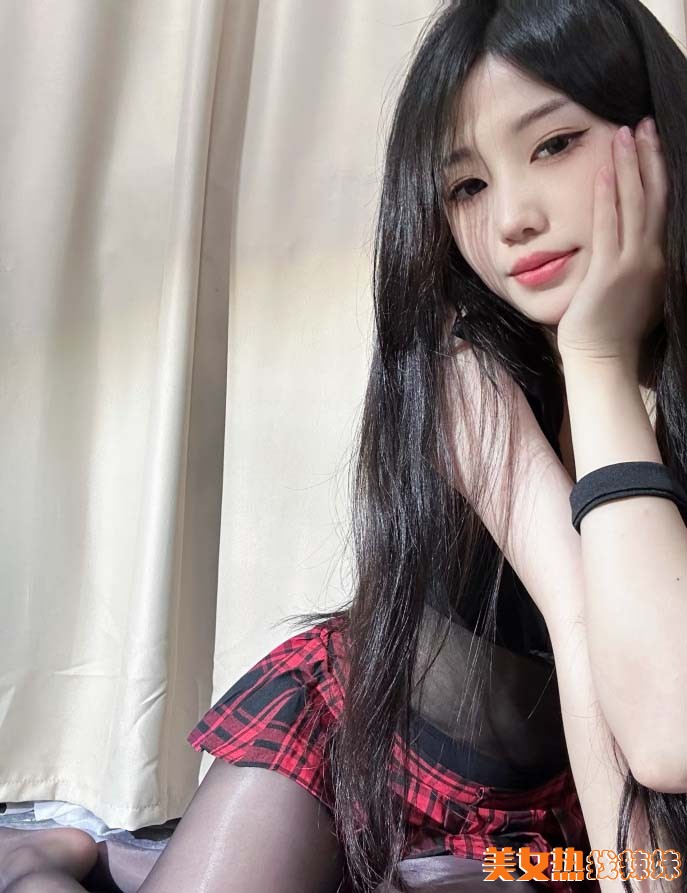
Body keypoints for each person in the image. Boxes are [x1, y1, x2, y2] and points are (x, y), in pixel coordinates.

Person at [2, 1, 687, 891]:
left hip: (553, 815)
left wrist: (603, 364)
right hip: (362, 744)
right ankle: (47, 859)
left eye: (553, 144)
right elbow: (582, 620)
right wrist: (593, 357)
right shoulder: (465, 370)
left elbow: (665, 735)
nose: (512, 218)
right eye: (466, 186)